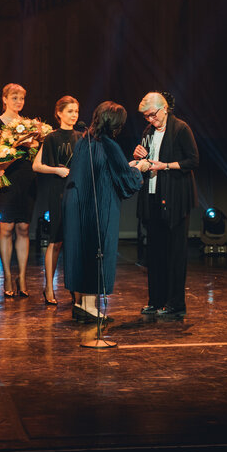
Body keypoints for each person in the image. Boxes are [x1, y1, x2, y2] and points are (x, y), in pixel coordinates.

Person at [62, 101, 151, 321]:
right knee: (96, 250)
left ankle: (81, 303)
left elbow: (103, 170)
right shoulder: (108, 144)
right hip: (97, 206)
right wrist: (139, 168)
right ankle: (89, 306)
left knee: (81, 252)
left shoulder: (85, 140)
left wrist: (127, 167)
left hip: (77, 204)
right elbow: (126, 181)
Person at [132, 92, 199, 317]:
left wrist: (166, 166)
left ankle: (175, 303)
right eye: (146, 116)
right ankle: (156, 300)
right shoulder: (148, 132)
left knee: (175, 252)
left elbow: (192, 160)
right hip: (153, 196)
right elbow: (146, 161)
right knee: (155, 252)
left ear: (164, 109)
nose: (151, 120)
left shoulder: (180, 129)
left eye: (153, 115)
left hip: (176, 198)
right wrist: (139, 156)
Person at [0, 83, 36, 298]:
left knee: (23, 227)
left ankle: (22, 276)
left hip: (27, 178)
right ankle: (6, 275)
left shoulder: (29, 125)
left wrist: (34, 144)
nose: (18, 102)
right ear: (4, 99)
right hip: (6, 179)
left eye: (21, 98)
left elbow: (34, 153)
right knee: (6, 228)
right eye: (14, 98)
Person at [32, 96, 82, 305]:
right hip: (58, 191)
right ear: (59, 113)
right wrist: (56, 170)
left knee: (75, 241)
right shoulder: (52, 137)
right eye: (70, 111)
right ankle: (49, 288)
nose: (74, 115)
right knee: (57, 240)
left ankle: (76, 288)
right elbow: (36, 166)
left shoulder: (81, 136)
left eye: (76, 111)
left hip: (77, 191)